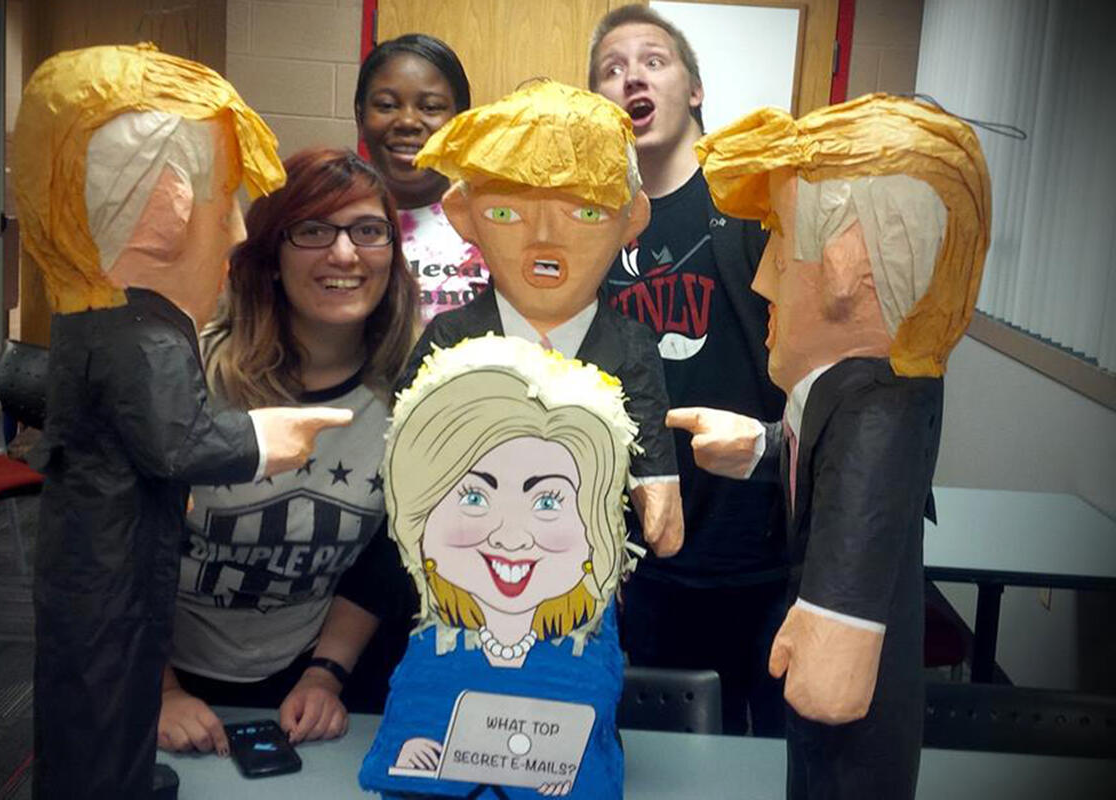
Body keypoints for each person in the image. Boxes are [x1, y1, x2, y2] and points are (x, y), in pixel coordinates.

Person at [13, 44, 352, 798]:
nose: (235, 233)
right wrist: (271, 438)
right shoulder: (141, 332)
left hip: (102, 545)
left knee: (106, 680)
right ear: (165, 206)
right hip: (109, 558)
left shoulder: (98, 317)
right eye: (224, 199)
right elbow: (180, 440)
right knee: (106, 677)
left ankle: (118, 772)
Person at [690, 94, 990, 798]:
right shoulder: (846, 388)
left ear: (850, 262)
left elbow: (866, 506)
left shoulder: (883, 405)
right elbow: (823, 457)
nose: (761, 278)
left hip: (857, 711)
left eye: (779, 240)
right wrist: (764, 447)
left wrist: (834, 630)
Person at [155, 148, 420, 754]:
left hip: (313, 666)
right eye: (313, 231)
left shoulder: (410, 390)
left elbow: (384, 555)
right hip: (162, 668)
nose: (345, 253)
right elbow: (112, 552)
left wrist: (327, 673)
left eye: (369, 231)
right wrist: (161, 691)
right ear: (271, 254)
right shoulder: (190, 373)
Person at [587, 4, 787, 736]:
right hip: (643, 558)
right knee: (658, 750)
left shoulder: (755, 204)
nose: (631, 75)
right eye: (612, 69)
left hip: (758, 547)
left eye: (652, 60)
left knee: (764, 755)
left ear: (694, 89)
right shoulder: (593, 220)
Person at [403, 78, 684, 559]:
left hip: (579, 575)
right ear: (462, 214)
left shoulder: (630, 344)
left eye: (587, 214)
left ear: (632, 219)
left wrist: (656, 491)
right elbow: (403, 463)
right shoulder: (451, 339)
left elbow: (662, 510)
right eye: (507, 214)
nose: (545, 239)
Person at [360, 336, 636, 798]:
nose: (510, 536)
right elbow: (416, 728)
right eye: (473, 496)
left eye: (548, 500)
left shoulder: (587, 637)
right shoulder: (434, 633)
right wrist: (412, 758)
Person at [355, 33, 487, 324]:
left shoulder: (491, 230)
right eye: (387, 105)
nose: (407, 122)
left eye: (430, 107)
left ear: (460, 124)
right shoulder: (330, 227)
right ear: (360, 117)